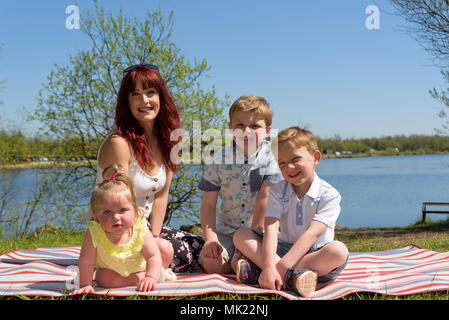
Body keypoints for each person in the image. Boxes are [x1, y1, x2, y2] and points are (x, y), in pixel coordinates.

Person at [96, 64, 204, 273]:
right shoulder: (119, 144)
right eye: (135, 94)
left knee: (207, 250)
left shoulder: (169, 142)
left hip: (145, 230)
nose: (144, 101)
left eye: (150, 92)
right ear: (127, 103)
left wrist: (154, 237)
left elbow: (162, 197)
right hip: (115, 231)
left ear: (161, 97)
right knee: (175, 252)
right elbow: (121, 202)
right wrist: (153, 244)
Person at [233, 126, 349, 298]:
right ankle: (295, 279)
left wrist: (275, 268)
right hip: (283, 248)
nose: (289, 167)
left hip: (315, 254)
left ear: (316, 157)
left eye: (296, 159)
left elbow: (311, 235)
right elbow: (271, 228)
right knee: (241, 234)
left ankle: (262, 273)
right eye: (282, 163)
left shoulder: (329, 195)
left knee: (338, 251)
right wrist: (271, 265)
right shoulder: (278, 191)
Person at [198, 95, 283, 274]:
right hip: (226, 231)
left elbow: (265, 197)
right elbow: (208, 205)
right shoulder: (219, 159)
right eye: (240, 125)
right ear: (230, 128)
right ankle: (241, 264)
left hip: (259, 230)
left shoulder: (271, 157)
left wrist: (253, 235)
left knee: (247, 253)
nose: (247, 131)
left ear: (267, 130)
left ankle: (247, 264)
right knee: (211, 263)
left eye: (254, 126)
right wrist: (211, 238)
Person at [74, 165, 176, 295]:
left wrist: (150, 277)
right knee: (105, 280)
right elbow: (86, 262)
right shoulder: (94, 232)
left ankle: (155, 276)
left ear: (134, 209)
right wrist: (85, 285)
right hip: (110, 271)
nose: (116, 217)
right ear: (96, 215)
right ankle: (144, 279)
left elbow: (152, 256)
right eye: (107, 212)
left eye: (123, 210)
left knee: (164, 248)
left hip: (140, 269)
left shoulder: (139, 228)